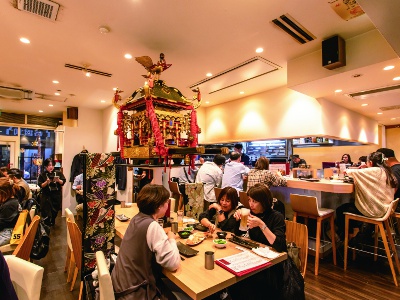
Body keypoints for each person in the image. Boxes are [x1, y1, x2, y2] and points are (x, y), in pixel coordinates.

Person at [111, 184, 180, 300]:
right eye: (166, 202)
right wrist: (172, 239)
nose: (168, 205)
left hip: (120, 285)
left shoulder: (137, 218)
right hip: (134, 293)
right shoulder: (152, 226)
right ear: (159, 206)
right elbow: (173, 264)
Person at [229, 184, 287, 299]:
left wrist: (261, 224)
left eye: (254, 201)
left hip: (273, 264)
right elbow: (239, 233)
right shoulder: (251, 214)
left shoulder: (276, 217)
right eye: (249, 200)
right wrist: (238, 220)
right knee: (234, 276)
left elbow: (279, 245)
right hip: (256, 258)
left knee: (249, 283)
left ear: (264, 201)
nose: (250, 204)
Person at [335, 151, 397, 241]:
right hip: (385, 208)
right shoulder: (387, 171)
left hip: (375, 211)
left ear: (370, 162)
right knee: (350, 206)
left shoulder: (373, 170)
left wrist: (361, 168)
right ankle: (361, 232)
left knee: (340, 210)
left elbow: (346, 171)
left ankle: (346, 238)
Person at [38, 158, 66, 226]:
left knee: (55, 210)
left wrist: (58, 180)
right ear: (46, 166)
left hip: (56, 195)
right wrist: (47, 182)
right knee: (46, 210)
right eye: (49, 165)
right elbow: (41, 185)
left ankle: (53, 219)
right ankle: (47, 223)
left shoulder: (58, 173)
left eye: (52, 165)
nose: (51, 167)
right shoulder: (42, 175)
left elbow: (63, 182)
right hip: (46, 195)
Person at [0, 177, 21, 246]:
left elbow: (1, 224)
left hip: (6, 234)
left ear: (3, 193)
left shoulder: (8, 206)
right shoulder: (13, 200)